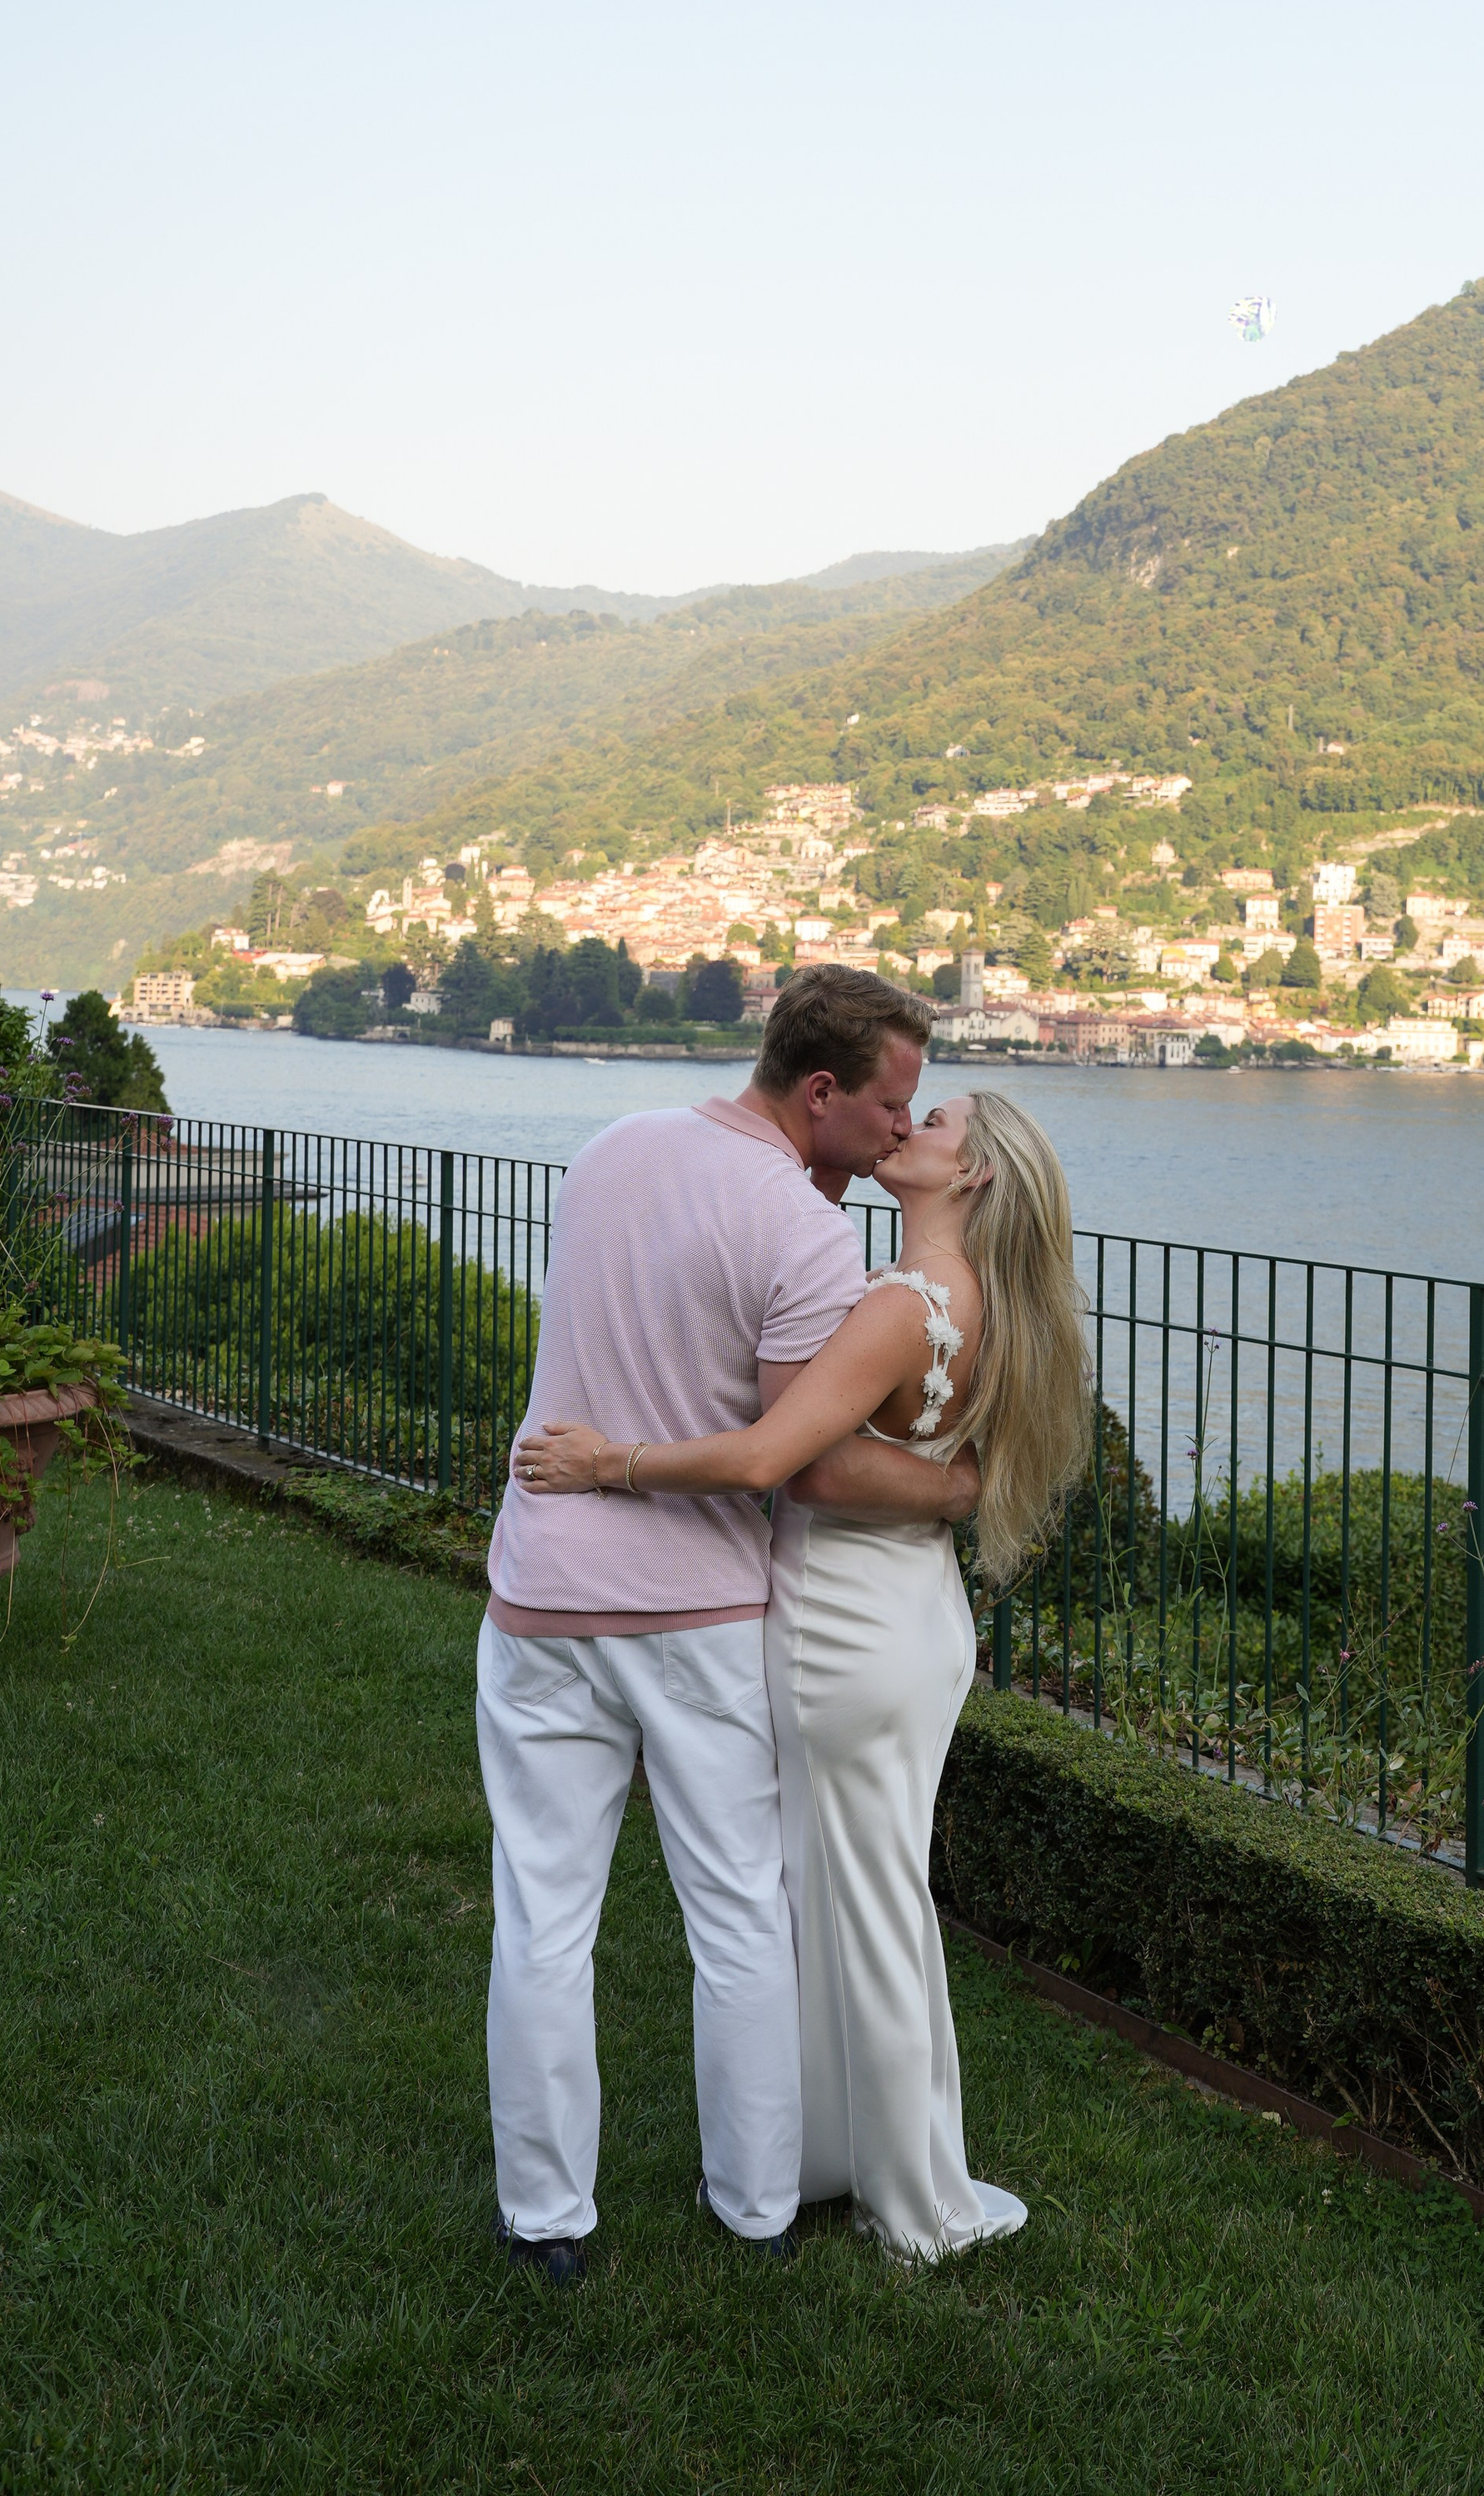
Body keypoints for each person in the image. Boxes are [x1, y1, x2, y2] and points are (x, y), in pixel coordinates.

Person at [516, 1088, 1092, 2260]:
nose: (906, 1130)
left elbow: (786, 1462)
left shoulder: (899, 1302)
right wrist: (950, 1489)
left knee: (861, 1906)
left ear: (970, 1176)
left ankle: (913, 2189)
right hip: (907, 1612)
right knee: (854, 1898)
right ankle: (841, 2154)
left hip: (847, 1627)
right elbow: (927, 1467)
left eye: (934, 1123)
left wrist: (608, 1460)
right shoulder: (971, 1302)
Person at [478, 966, 969, 2289]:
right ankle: (753, 2205)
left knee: (540, 1914)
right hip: (693, 1613)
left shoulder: (611, 1148)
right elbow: (800, 1461)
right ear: (820, 1092)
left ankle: (545, 2221)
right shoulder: (799, 1233)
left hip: (539, 1588)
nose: (894, 1134)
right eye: (885, 1106)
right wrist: (968, 1491)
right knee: (739, 1913)